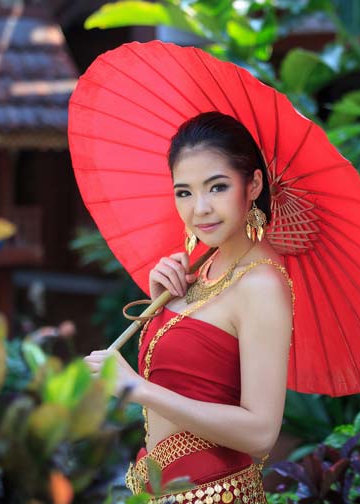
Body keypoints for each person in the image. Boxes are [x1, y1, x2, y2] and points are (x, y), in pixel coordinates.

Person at [84, 111, 294, 504]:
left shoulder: (262, 285)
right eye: (184, 191)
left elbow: (261, 433)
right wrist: (164, 300)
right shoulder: (206, 267)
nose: (200, 209)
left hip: (217, 495)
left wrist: (138, 389)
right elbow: (188, 375)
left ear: (253, 184)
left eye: (216, 187)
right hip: (155, 489)